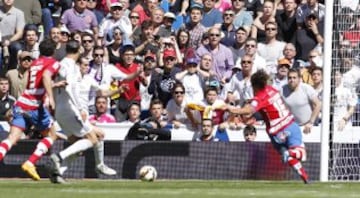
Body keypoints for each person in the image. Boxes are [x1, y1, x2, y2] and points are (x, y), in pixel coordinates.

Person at [49, 40, 117, 184]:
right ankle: (59, 157)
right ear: (79, 50)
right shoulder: (72, 67)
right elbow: (70, 88)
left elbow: (51, 81)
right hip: (70, 108)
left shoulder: (59, 64)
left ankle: (58, 173)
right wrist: (80, 108)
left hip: (60, 110)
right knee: (93, 139)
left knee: (83, 144)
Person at [225, 70, 310, 184]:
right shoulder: (273, 90)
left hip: (274, 133)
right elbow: (257, 107)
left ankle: (303, 175)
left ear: (255, 85)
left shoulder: (259, 98)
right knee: (301, 153)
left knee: (286, 153)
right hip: (288, 125)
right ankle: (290, 153)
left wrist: (234, 109)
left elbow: (250, 110)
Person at [0, 39, 66, 181]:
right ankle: (30, 162)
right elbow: (46, 76)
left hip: (21, 103)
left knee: (12, 138)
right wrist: (51, 97)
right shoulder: (54, 63)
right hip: (35, 106)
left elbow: (37, 85)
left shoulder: (35, 63)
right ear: (53, 51)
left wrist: (54, 85)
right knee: (51, 135)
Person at [280, 68, 321, 133]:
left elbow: (318, 104)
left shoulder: (306, 88)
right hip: (293, 126)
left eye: (294, 78)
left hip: (309, 125)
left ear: (299, 79)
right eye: (290, 78)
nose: (292, 80)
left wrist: (311, 122)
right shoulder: (282, 90)